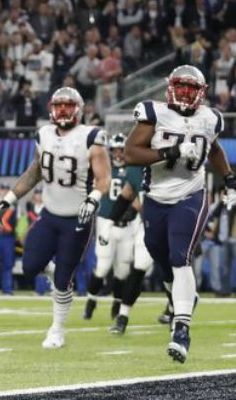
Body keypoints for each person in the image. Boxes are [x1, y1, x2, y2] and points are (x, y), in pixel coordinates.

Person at [124, 65, 236, 363]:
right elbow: (131, 153)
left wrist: (228, 177)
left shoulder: (210, 117)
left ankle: (182, 329)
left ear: (201, 93)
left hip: (191, 194)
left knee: (181, 257)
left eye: (192, 89)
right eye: (182, 87)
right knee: (160, 258)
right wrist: (170, 152)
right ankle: (182, 298)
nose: (186, 94)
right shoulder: (155, 113)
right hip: (156, 198)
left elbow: (213, 149)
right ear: (171, 87)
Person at [0, 87, 111, 350]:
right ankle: (58, 276)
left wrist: (93, 198)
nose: (63, 111)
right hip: (49, 215)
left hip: (77, 219)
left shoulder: (92, 136)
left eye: (69, 106)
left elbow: (104, 179)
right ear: (51, 109)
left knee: (62, 281)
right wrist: (9, 199)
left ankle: (57, 329)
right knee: (30, 266)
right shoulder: (43, 134)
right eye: (59, 106)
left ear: (79, 110)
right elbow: (35, 172)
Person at [83, 133, 151, 335]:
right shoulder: (106, 168)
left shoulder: (135, 168)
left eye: (122, 150)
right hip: (108, 220)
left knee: (123, 270)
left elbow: (135, 197)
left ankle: (118, 305)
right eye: (116, 150)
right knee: (103, 266)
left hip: (130, 224)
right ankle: (91, 301)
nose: (119, 154)